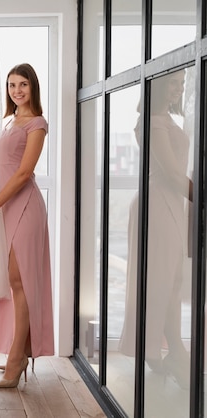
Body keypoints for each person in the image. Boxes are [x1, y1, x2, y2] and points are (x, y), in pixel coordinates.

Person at [0, 63, 54, 388]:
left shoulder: (37, 124)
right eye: (11, 85)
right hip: (6, 206)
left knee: (20, 284)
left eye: (23, 84)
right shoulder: (9, 121)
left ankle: (17, 359)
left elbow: (22, 174)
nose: (17, 90)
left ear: (33, 87)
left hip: (23, 207)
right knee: (11, 283)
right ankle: (17, 350)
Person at [118, 69, 193, 389]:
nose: (177, 90)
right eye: (172, 83)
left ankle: (161, 352)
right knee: (162, 283)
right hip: (157, 203)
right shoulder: (151, 122)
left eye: (181, 84)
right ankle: (172, 352)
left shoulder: (167, 121)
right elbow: (174, 174)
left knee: (172, 282)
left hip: (171, 203)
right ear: (158, 85)